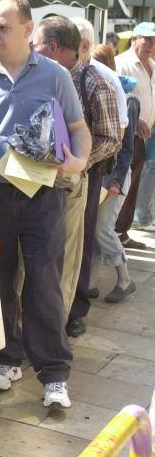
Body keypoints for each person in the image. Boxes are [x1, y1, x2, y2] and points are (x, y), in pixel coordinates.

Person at [0, 0, 91, 408]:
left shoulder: (55, 76)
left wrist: (78, 162)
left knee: (43, 282)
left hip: (43, 194)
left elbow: (79, 129)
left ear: (27, 29)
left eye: (2, 27)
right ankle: (7, 358)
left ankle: (53, 373)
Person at [52, 17, 122, 337]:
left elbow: (110, 138)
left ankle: (74, 310)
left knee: (78, 242)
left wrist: (80, 162)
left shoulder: (96, 80)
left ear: (79, 46)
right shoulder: (48, 77)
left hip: (85, 176)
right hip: (48, 175)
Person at [89, 48, 139, 303]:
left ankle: (125, 278)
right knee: (97, 229)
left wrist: (116, 180)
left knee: (102, 229)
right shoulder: (101, 92)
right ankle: (91, 283)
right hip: (104, 177)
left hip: (114, 178)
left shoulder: (126, 99)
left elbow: (126, 146)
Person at [115, 22, 155, 248]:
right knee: (124, 184)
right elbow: (119, 100)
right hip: (127, 135)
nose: (151, 44)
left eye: (154, 40)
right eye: (146, 39)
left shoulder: (151, 65)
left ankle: (122, 231)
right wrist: (136, 118)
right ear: (134, 39)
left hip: (143, 136)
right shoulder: (123, 64)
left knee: (134, 185)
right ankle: (116, 231)